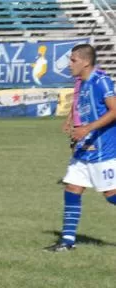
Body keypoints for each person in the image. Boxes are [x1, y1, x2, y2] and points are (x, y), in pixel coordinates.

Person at [47, 44, 116, 251]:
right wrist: (72, 120)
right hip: (84, 149)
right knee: (72, 189)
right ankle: (67, 242)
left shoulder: (101, 81)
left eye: (73, 60)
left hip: (103, 150)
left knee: (112, 196)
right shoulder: (82, 83)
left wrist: (87, 128)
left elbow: (114, 111)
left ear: (86, 61)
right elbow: (81, 106)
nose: (69, 64)